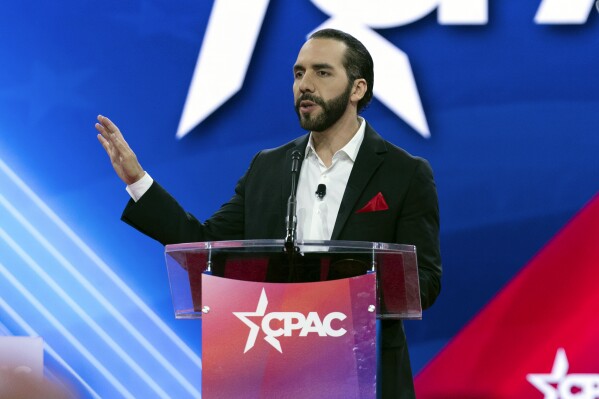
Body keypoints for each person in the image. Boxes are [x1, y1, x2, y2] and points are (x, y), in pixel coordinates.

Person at [97, 28, 441, 399]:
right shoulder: (269, 167)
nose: (304, 84)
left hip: (365, 377)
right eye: (298, 73)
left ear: (357, 89)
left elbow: (425, 281)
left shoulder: (404, 173)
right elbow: (204, 246)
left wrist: (351, 295)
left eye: (321, 72)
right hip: (271, 373)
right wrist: (138, 181)